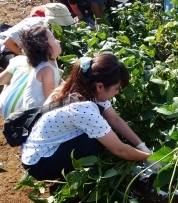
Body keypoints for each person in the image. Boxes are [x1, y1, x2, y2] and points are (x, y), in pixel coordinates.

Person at [21, 54, 151, 181]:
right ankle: (74, 177)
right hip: (38, 164)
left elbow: (115, 119)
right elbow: (120, 150)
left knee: (102, 130)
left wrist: (141, 145)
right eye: (117, 88)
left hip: (38, 149)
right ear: (100, 86)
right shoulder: (83, 108)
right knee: (96, 142)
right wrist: (150, 158)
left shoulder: (83, 87)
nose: (117, 93)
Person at [0, 3, 74, 70]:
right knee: (23, 69)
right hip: (5, 49)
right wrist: (27, 57)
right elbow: (8, 43)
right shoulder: (34, 25)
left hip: (23, 48)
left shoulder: (52, 27)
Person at [19, 25, 63, 108]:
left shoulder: (52, 60)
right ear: (44, 47)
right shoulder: (47, 69)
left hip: (46, 103)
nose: (59, 41)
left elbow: (58, 79)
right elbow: (51, 98)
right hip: (37, 109)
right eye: (53, 39)